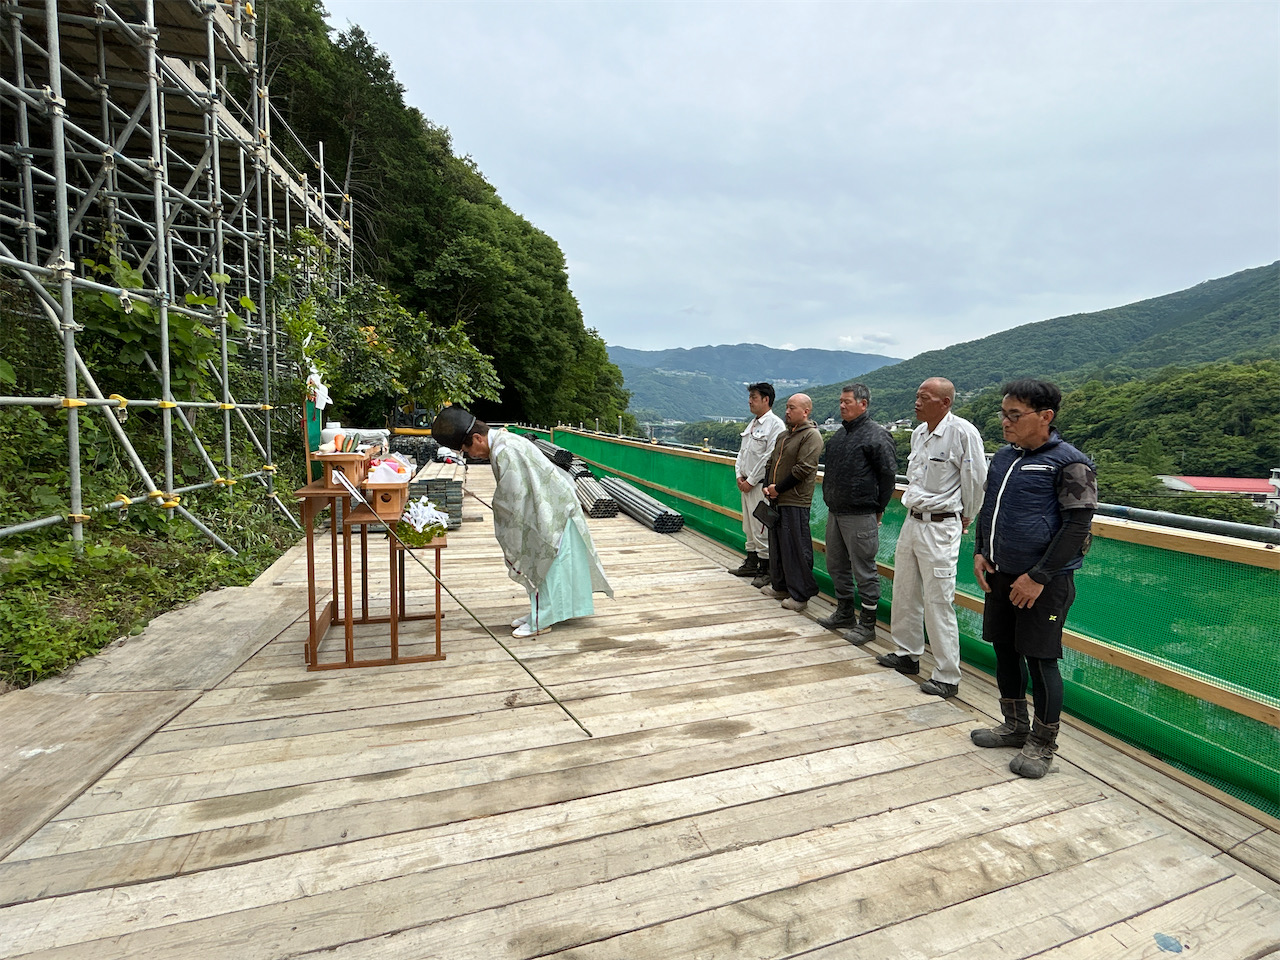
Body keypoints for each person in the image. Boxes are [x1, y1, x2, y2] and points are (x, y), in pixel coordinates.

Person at [972, 379, 1097, 779]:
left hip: (1045, 582)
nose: (1005, 423)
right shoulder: (1005, 458)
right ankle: (1014, 725)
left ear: (1046, 417)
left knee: (1042, 659)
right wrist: (980, 551)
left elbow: (1077, 527)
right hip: (1001, 573)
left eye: (1014, 415)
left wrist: (1039, 575)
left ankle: (1043, 744)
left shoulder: (1070, 463)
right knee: (1005, 650)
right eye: (1003, 414)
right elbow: (988, 507)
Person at [430, 407, 613, 639]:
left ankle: (542, 618)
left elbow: (513, 493)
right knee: (549, 564)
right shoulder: (503, 443)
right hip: (548, 505)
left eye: (468, 449)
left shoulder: (506, 449)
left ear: (478, 438)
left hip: (551, 510)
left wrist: (500, 509)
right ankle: (542, 611)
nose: (470, 455)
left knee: (543, 561)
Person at [875, 378, 987, 697]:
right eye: (917, 396)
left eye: (924, 397)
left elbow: (976, 480)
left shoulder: (962, 433)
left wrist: (967, 516)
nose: (917, 402)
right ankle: (907, 654)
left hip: (940, 526)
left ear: (945, 402)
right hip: (913, 521)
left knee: (938, 598)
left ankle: (947, 675)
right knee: (905, 588)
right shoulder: (919, 433)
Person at [816, 383, 898, 644]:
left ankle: (868, 623)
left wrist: (878, 508)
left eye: (847, 402)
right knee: (836, 564)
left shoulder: (877, 436)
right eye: (840, 401)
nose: (842, 405)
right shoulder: (839, 436)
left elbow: (887, 477)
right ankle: (844, 612)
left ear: (863, 404)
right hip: (835, 511)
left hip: (861, 513)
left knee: (864, 568)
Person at [760, 393, 823, 611]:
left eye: (792, 408)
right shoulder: (784, 435)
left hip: (795, 499)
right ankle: (780, 585)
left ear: (806, 411)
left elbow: (804, 468)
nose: (787, 412)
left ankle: (800, 594)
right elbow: (771, 462)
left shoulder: (811, 436)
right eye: (786, 407)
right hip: (776, 498)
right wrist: (767, 486)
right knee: (777, 545)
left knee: (795, 547)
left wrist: (778, 488)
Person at [729, 382, 786, 584]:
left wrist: (751, 481)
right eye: (750, 397)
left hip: (760, 485)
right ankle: (751, 563)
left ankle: (766, 570)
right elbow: (742, 453)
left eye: (754, 397)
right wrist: (739, 476)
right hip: (745, 483)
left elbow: (769, 457)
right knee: (748, 526)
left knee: (761, 526)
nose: (750, 401)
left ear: (766, 400)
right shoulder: (752, 424)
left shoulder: (776, 425)